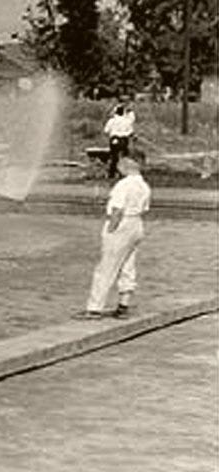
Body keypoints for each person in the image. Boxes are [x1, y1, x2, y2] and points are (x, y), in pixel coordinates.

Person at [75, 155, 151, 319]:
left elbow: (117, 209)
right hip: (136, 224)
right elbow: (145, 209)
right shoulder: (144, 185)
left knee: (106, 267)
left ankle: (94, 308)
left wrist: (111, 229)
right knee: (128, 266)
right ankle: (124, 305)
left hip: (121, 224)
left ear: (124, 166)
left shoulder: (123, 185)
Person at [103, 102, 135, 179]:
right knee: (124, 156)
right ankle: (123, 173)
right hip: (124, 140)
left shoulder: (112, 121)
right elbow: (130, 132)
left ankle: (112, 174)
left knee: (114, 157)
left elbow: (106, 131)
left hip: (114, 139)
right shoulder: (127, 121)